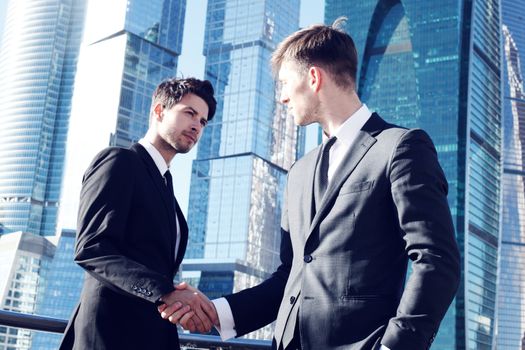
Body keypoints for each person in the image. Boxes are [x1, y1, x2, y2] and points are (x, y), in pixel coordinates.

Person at [161, 18, 461, 350]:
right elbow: (290, 277)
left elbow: (436, 259)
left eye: (286, 83)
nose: (283, 97)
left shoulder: (399, 147)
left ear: (314, 78)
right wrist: (215, 310)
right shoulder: (300, 172)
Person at [59, 77, 219, 350]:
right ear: (159, 111)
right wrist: (165, 292)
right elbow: (93, 248)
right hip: (109, 334)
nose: (196, 126)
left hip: (150, 335)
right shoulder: (119, 161)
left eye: (203, 121)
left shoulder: (166, 185)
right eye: (189, 113)